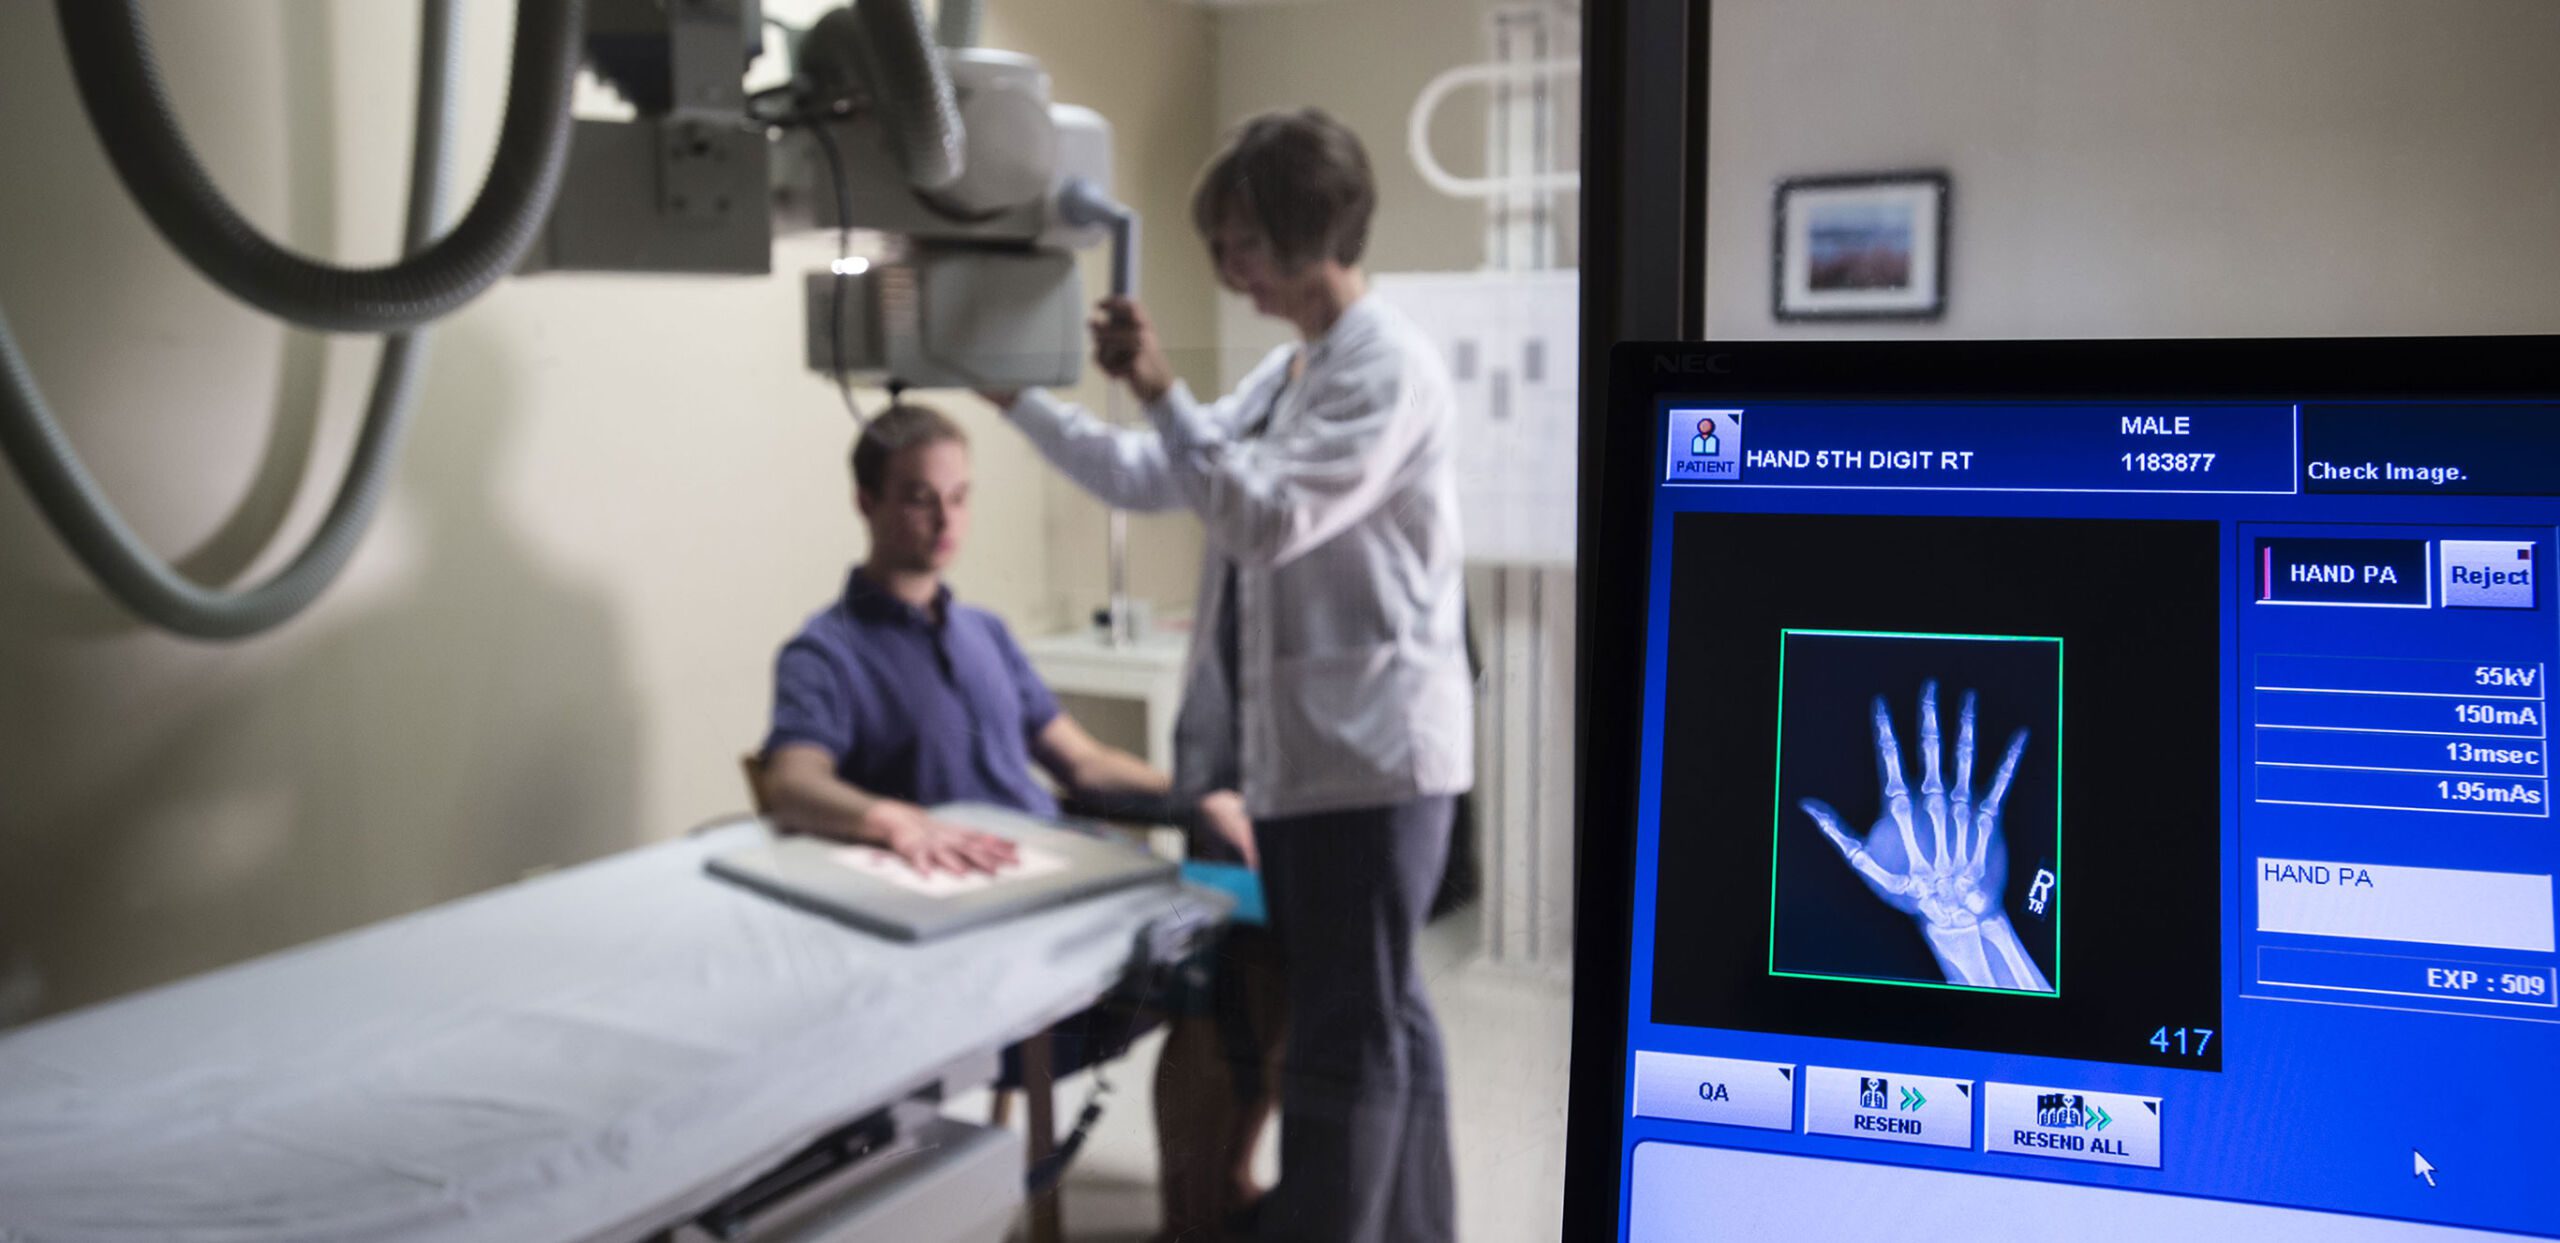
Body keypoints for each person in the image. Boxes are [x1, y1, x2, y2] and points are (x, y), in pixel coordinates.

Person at [985, 108, 1472, 1243]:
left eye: (1240, 238)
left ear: (1309, 230)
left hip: (1373, 763)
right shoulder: (1290, 368)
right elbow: (1159, 474)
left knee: (1351, 1039)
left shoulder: (1385, 365)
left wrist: (1160, 385)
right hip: (1308, 760)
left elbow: (1261, 515)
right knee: (1380, 1018)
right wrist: (1018, 401)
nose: (1225, 264)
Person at [757, 402, 1235, 871]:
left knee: (1213, 913)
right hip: (960, 878)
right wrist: (893, 820)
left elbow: (1083, 762)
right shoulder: (825, 650)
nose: (947, 520)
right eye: (921, 498)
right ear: (866, 502)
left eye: (959, 497)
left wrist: (1199, 795)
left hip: (1050, 859)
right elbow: (792, 781)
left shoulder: (986, 631)